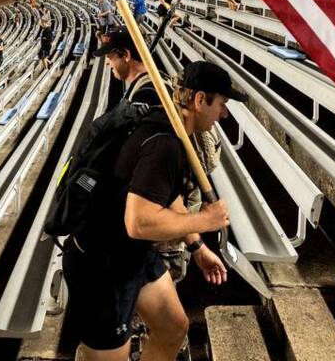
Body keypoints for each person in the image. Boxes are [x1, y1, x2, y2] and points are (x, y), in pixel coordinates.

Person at [62, 60, 243, 361]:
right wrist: (205, 219)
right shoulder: (164, 145)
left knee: (173, 328)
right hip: (102, 266)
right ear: (200, 100)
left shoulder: (174, 131)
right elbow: (139, 223)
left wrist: (197, 247)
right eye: (222, 104)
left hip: (132, 254)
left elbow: (167, 198)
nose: (224, 113)